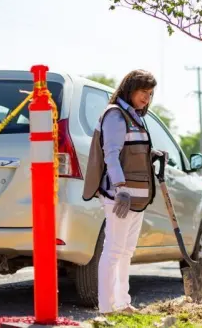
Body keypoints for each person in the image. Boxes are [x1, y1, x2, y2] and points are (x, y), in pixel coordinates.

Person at [82, 69, 158, 315]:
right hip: (121, 196)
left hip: (137, 196)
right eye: (143, 92)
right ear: (130, 89)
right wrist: (120, 188)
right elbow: (111, 154)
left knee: (126, 251)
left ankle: (123, 302)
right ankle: (106, 307)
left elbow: (132, 150)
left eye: (150, 93)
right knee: (114, 250)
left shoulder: (135, 116)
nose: (146, 98)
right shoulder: (116, 115)